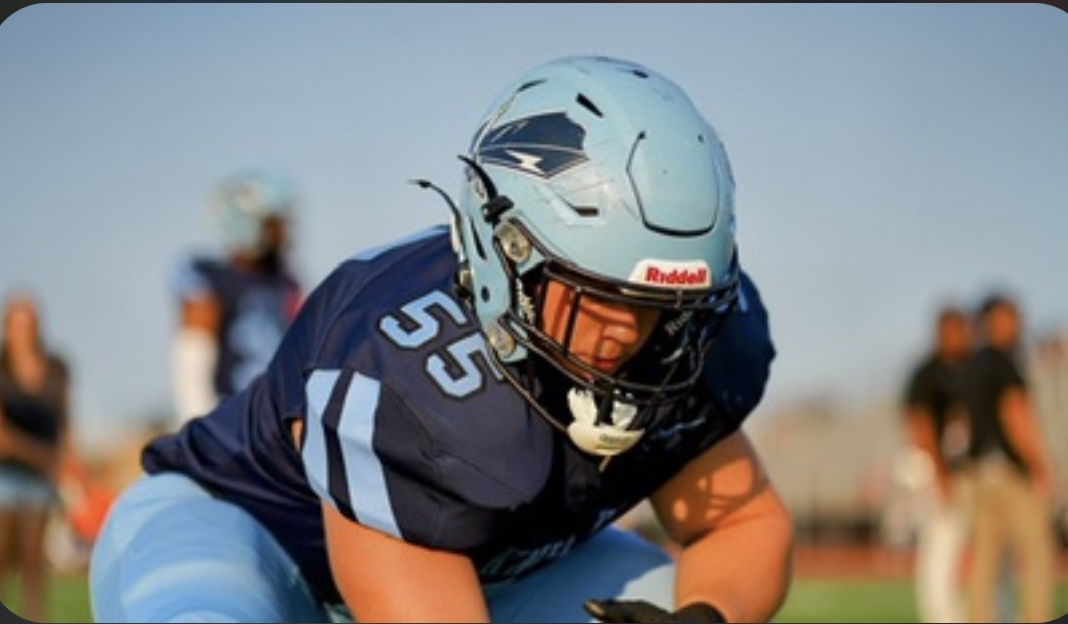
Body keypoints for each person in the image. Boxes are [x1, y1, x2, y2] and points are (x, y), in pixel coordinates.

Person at [89, 54, 793, 623]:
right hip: (246, 537)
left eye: (660, 304)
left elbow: (739, 523)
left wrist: (710, 614)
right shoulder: (401, 364)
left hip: (487, 572)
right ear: (506, 250)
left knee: (664, 608)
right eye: (594, 291)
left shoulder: (688, 340)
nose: (629, 330)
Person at [170, 167, 304, 425]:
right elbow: (192, 363)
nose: (284, 233)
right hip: (231, 421)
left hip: (274, 422)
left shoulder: (286, 283)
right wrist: (202, 431)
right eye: (274, 224)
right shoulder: (209, 279)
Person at [959, 292, 1057, 624]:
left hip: (980, 473)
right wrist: (1039, 465)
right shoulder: (1003, 362)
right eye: (1011, 317)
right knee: (1039, 552)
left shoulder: (971, 363)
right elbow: (1015, 415)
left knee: (987, 557)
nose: (1017, 324)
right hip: (1010, 472)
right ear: (993, 321)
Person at [0, 289, 74, 622]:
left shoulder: (57, 366)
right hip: (6, 472)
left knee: (33, 558)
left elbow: (64, 420)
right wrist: (39, 454)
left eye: (28, 323)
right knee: (2, 554)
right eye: (17, 324)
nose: (23, 330)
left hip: (42, 475)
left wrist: (66, 461)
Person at [901, 304, 972, 623]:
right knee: (941, 547)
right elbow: (920, 425)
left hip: (963, 471)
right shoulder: (928, 373)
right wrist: (940, 473)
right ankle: (942, 616)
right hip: (936, 469)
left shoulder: (967, 368)